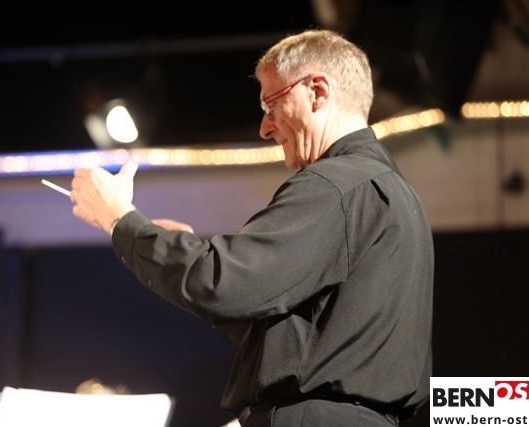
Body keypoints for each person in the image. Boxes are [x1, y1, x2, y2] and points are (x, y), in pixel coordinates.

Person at [70, 29, 434, 427]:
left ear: (317, 91)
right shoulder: (393, 193)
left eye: (271, 104)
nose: (264, 127)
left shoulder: (337, 184)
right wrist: (184, 250)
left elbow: (222, 283)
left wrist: (119, 219)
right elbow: (283, 332)